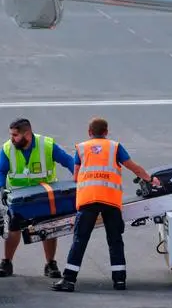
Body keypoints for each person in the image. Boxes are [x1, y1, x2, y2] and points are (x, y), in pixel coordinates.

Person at [52, 117, 159, 292]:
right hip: (110, 200)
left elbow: (75, 177)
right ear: (106, 132)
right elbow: (134, 168)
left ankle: (69, 280)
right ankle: (119, 281)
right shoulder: (115, 147)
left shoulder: (81, 148)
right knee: (115, 240)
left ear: (89, 132)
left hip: (88, 200)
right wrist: (150, 179)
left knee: (80, 239)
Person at [0, 117, 76, 279]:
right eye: (11, 134)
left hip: (44, 197)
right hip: (20, 199)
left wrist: (79, 176)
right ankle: (6, 262)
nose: (12, 138)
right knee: (14, 229)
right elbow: (0, 171)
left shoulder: (46, 145)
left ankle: (50, 264)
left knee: (49, 228)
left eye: (15, 135)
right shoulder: (8, 148)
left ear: (27, 135)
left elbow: (68, 161)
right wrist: (2, 188)